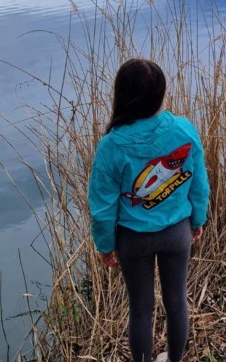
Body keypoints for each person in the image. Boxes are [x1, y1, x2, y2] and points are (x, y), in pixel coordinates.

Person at [89, 58, 210, 362]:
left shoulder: (111, 145)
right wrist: (198, 219)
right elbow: (199, 183)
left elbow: (102, 206)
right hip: (176, 232)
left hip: (134, 239)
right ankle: (173, 360)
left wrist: (105, 244)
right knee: (176, 301)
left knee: (141, 307)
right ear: (159, 94)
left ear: (121, 95)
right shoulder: (183, 129)